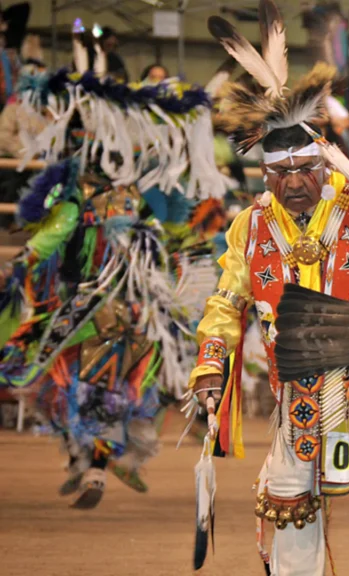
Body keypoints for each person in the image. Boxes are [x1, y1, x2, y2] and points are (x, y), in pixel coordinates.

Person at [195, 3, 349, 573]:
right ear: (264, 174)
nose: (294, 184)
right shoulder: (252, 225)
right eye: (280, 174)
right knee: (288, 502)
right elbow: (226, 301)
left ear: (325, 165)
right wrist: (212, 364)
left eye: (305, 170)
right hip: (301, 400)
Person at [0, 34, 229, 508]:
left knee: (131, 383)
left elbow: (171, 232)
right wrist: (26, 265)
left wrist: (193, 254)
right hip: (77, 301)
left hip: (130, 305)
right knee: (64, 384)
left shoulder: (145, 197)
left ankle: (104, 463)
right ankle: (85, 457)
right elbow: (51, 235)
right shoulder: (75, 195)